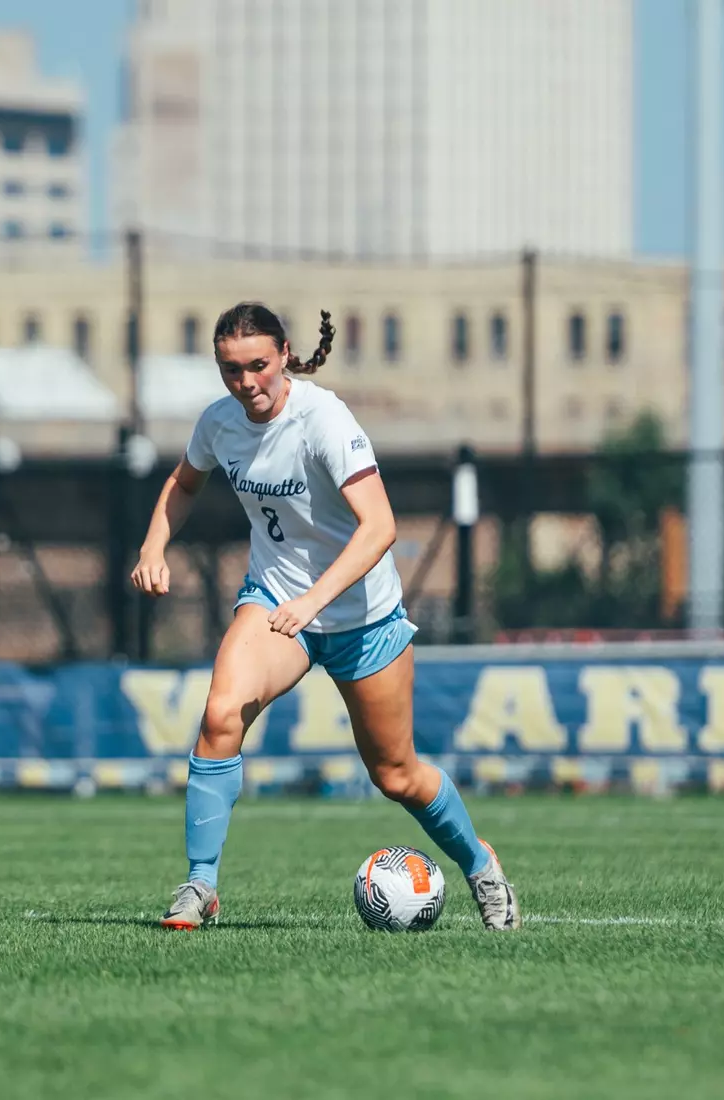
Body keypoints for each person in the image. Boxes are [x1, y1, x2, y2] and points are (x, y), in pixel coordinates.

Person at [131, 302, 521, 932]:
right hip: (275, 602)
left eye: (258, 366)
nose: (247, 384)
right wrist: (153, 547)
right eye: (231, 371)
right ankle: (200, 883)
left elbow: (381, 527)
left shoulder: (324, 419)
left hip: (364, 618)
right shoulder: (219, 423)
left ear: (285, 354)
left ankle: (480, 865)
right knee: (219, 713)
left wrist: (314, 601)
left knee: (396, 775)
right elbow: (184, 482)